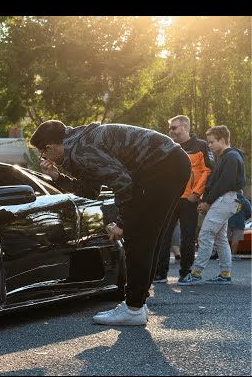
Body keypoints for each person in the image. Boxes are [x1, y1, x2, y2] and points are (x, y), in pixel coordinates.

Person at [30, 120, 191, 326]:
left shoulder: (81, 150)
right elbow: (90, 191)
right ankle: (137, 304)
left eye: (42, 153)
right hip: (170, 163)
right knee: (147, 237)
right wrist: (56, 176)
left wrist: (122, 222)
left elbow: (123, 183)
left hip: (162, 166)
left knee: (138, 238)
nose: (43, 158)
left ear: (49, 147)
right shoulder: (80, 144)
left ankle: (133, 308)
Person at [179, 125, 246, 285]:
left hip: (225, 199)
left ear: (222, 140)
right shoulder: (228, 157)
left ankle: (195, 273)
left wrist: (207, 201)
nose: (209, 146)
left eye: (211, 142)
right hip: (226, 200)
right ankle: (225, 274)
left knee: (205, 235)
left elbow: (225, 182)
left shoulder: (230, 157)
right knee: (220, 238)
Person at [153, 115, 212, 283]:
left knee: (187, 237)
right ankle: (160, 273)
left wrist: (197, 193)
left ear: (185, 128)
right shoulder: (169, 147)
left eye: (174, 128)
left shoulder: (200, 145)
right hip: (170, 199)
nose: (170, 132)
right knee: (163, 235)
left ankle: (185, 272)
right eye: (170, 128)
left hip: (190, 200)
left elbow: (208, 171)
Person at [227, 191, 251, 260]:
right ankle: (233, 255)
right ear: (241, 193)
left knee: (225, 239)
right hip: (239, 222)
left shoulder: (228, 199)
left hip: (228, 221)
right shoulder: (245, 201)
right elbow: (249, 212)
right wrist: (243, 218)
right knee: (236, 239)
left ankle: (225, 255)